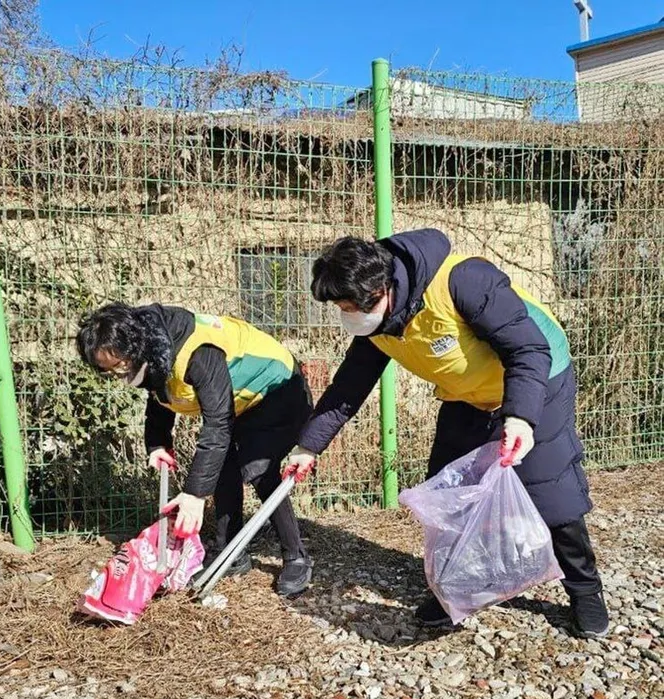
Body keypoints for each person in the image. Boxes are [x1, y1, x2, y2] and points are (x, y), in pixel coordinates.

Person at [285, 229, 609, 638]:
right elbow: (348, 389)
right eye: (340, 307)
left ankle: (585, 591)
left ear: (381, 289)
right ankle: (454, 590)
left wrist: (520, 418)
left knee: (551, 493)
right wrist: (308, 446)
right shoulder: (379, 325)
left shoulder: (463, 281)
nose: (346, 314)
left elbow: (527, 350)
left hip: (536, 382)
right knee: (448, 495)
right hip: (465, 395)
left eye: (349, 306)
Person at [77, 302, 313, 596]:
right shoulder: (154, 346)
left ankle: (296, 556)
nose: (118, 373)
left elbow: (217, 423)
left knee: (257, 467)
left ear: (134, 344)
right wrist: (158, 442)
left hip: (280, 388)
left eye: (120, 365)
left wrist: (195, 494)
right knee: (222, 466)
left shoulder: (198, 352)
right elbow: (160, 390)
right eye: (109, 370)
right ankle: (231, 552)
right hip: (241, 400)